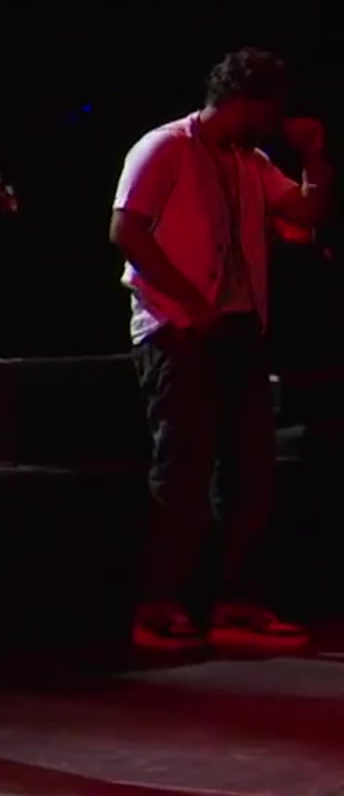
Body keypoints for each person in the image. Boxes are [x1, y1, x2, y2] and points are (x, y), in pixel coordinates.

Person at [110, 47, 328, 653]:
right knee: (182, 470)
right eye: (269, 109)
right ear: (242, 101)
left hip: (239, 331)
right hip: (177, 329)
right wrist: (189, 301)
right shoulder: (165, 148)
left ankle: (236, 604)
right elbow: (126, 229)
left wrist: (314, 159)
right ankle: (159, 607)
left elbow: (305, 211)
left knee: (248, 472)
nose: (274, 122)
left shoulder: (249, 162)